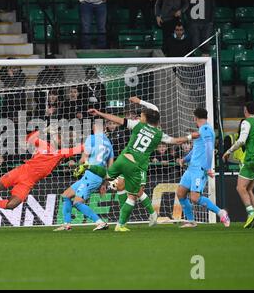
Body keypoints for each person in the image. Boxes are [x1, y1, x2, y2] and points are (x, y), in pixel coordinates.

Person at [89, 97, 198, 231]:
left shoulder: (137, 125)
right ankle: (123, 224)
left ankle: (88, 167)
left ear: (146, 118)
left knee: (108, 177)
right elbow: (176, 141)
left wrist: (99, 113)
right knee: (133, 195)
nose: (139, 117)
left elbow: (117, 119)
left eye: (141, 115)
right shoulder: (159, 135)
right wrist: (190, 137)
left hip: (123, 158)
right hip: (136, 165)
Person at [0, 128, 83, 216]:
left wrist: (96, 140)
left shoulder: (62, 153)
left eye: (62, 138)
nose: (60, 139)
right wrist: (44, 130)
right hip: (20, 172)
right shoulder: (43, 145)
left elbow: (81, 148)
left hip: (28, 183)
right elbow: (29, 138)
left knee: (11, 205)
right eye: (58, 136)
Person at [55, 121, 113, 231]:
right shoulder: (109, 143)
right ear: (104, 128)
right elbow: (110, 166)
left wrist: (76, 166)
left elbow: (83, 159)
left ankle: (100, 222)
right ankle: (66, 224)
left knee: (77, 202)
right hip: (97, 176)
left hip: (91, 176)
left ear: (94, 128)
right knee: (66, 195)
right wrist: (104, 183)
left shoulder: (91, 138)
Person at [177, 108, 230, 228]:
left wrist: (207, 168)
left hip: (199, 169)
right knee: (180, 193)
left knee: (195, 198)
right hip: (191, 168)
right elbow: (197, 149)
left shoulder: (206, 129)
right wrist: (184, 159)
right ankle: (191, 221)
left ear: (195, 117)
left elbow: (209, 148)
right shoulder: (201, 130)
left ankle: (221, 213)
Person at [223, 101, 254, 228]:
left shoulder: (247, 122)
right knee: (249, 189)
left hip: (252, 158)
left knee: (240, 188)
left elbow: (241, 140)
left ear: (246, 111)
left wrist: (228, 151)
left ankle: (250, 213)